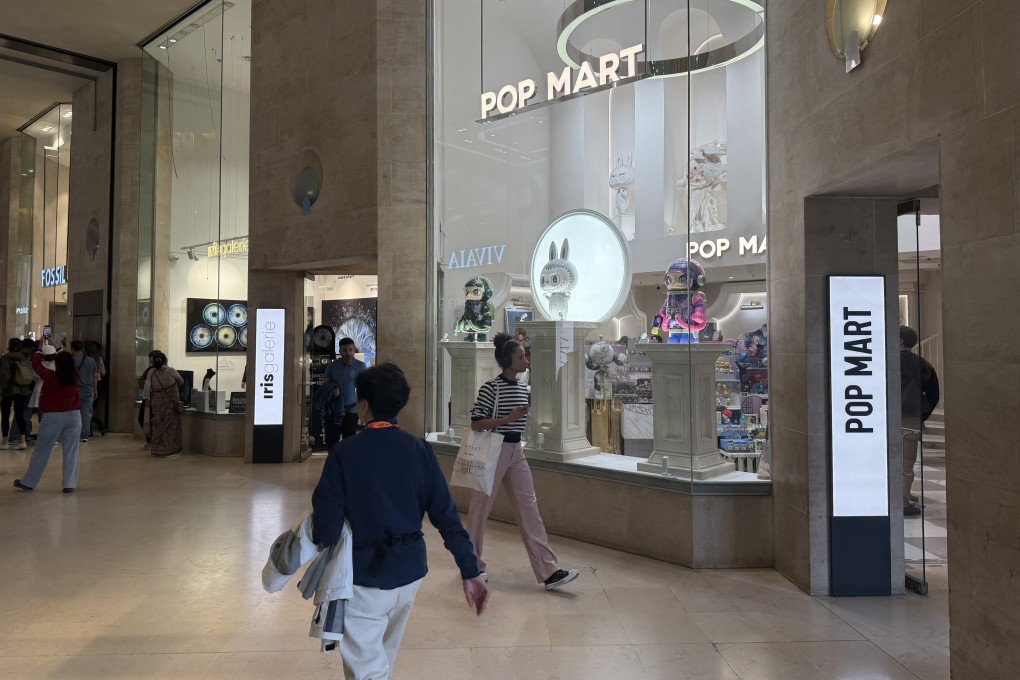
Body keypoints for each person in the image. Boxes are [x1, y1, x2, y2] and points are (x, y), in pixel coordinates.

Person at [311, 363, 488, 679]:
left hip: (364, 578)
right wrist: (469, 569)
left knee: (368, 671)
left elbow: (325, 526)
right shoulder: (419, 449)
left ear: (363, 405)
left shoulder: (345, 452)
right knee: (382, 659)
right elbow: (445, 515)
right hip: (409, 574)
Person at [466, 332, 579, 591]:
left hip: (516, 450)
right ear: (508, 360)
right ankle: (470, 565)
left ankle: (549, 570)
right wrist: (506, 419)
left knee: (530, 509)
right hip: (494, 449)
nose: (525, 360)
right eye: (520, 357)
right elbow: (475, 422)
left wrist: (517, 419)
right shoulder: (491, 388)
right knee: (479, 512)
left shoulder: (520, 387)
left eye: (525, 356)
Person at [13, 344, 82, 492]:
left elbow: (36, 364)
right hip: (74, 415)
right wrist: (58, 347)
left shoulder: (50, 377)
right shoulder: (75, 377)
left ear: (56, 364)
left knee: (42, 450)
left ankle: (29, 482)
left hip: (52, 416)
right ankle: (69, 484)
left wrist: (39, 349)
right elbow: (67, 361)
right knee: (71, 451)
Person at [900, 325, 940, 517]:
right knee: (907, 463)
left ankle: (893, 497)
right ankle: (903, 498)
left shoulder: (884, 362)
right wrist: (921, 416)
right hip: (911, 420)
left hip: (885, 420)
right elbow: (933, 394)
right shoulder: (922, 363)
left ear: (900, 341)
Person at [321, 337, 366, 447]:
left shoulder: (360, 366)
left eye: (350, 349)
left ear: (354, 349)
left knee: (349, 441)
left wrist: (364, 411)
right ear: (340, 351)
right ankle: (333, 462)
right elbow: (325, 385)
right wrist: (332, 389)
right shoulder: (332, 366)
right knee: (332, 441)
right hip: (334, 410)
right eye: (345, 350)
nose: (348, 353)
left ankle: (347, 463)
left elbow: (365, 388)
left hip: (352, 410)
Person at [143, 351, 184, 458]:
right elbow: (181, 381)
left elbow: (150, 388)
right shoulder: (171, 371)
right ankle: (171, 450)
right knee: (171, 427)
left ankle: (158, 450)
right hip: (170, 405)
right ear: (165, 360)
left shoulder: (151, 373)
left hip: (156, 405)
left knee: (157, 425)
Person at [0, 338, 31, 451]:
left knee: (5, 415)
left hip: (9, 390)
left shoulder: (5, 358)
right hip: (22, 390)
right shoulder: (25, 358)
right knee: (19, 414)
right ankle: (22, 440)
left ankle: (4, 441)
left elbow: (4, 376)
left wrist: (2, 390)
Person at [70, 341, 100, 444]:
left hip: (74, 390)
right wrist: (95, 389)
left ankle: (74, 432)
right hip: (88, 390)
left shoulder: (71, 360)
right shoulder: (91, 360)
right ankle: (85, 435)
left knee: (73, 411)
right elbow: (95, 376)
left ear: (72, 349)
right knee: (86, 412)